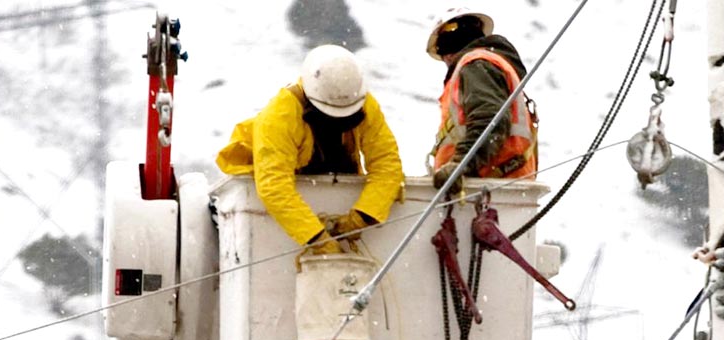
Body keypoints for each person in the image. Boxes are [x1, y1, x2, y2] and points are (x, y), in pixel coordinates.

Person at [216, 45, 404, 255]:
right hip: (276, 219)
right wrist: (317, 238)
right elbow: (274, 185)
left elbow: (386, 163)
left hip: (334, 187)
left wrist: (363, 215)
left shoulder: (364, 104)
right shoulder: (279, 116)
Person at [426, 8, 538, 195]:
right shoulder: (494, 66)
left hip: (487, 189)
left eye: (444, 50)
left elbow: (490, 121)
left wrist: (460, 165)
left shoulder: (476, 65)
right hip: (503, 187)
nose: (445, 60)